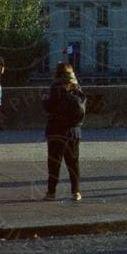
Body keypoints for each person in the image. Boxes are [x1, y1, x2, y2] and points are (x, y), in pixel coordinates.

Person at [43, 61, 85, 201]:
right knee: (73, 162)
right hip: (74, 131)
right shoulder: (76, 87)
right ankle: (76, 192)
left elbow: (48, 107)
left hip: (56, 130)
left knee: (54, 162)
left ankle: (51, 193)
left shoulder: (55, 87)